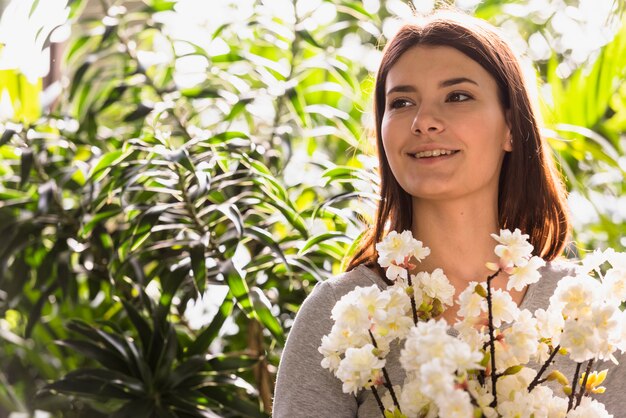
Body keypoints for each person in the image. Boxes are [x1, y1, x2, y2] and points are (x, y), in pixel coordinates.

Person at [273, 10, 625, 417]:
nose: (423, 122)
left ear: (511, 126)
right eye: (402, 102)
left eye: (457, 96)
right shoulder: (339, 318)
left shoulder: (586, 316)